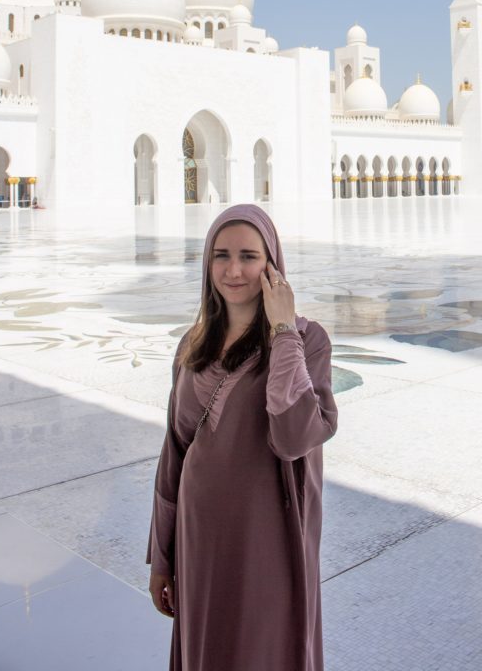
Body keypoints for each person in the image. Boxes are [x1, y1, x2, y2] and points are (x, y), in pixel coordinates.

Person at [147, 204, 338, 671]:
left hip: (265, 536)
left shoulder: (307, 341)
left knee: (261, 647)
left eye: (249, 256)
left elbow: (294, 436)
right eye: (221, 255)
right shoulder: (194, 344)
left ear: (272, 265)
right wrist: (161, 556)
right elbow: (174, 453)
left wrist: (282, 331)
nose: (233, 271)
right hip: (199, 536)